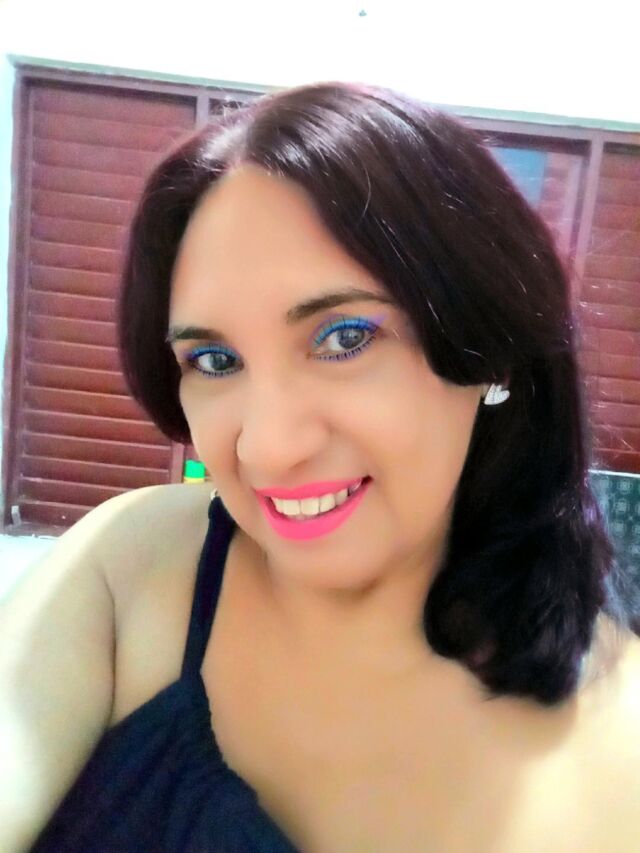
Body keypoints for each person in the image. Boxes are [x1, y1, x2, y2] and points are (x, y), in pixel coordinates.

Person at [2, 80, 639, 852]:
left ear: (490, 350)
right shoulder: (136, 565)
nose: (266, 448)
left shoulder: (618, 754)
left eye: (345, 338)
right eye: (215, 359)